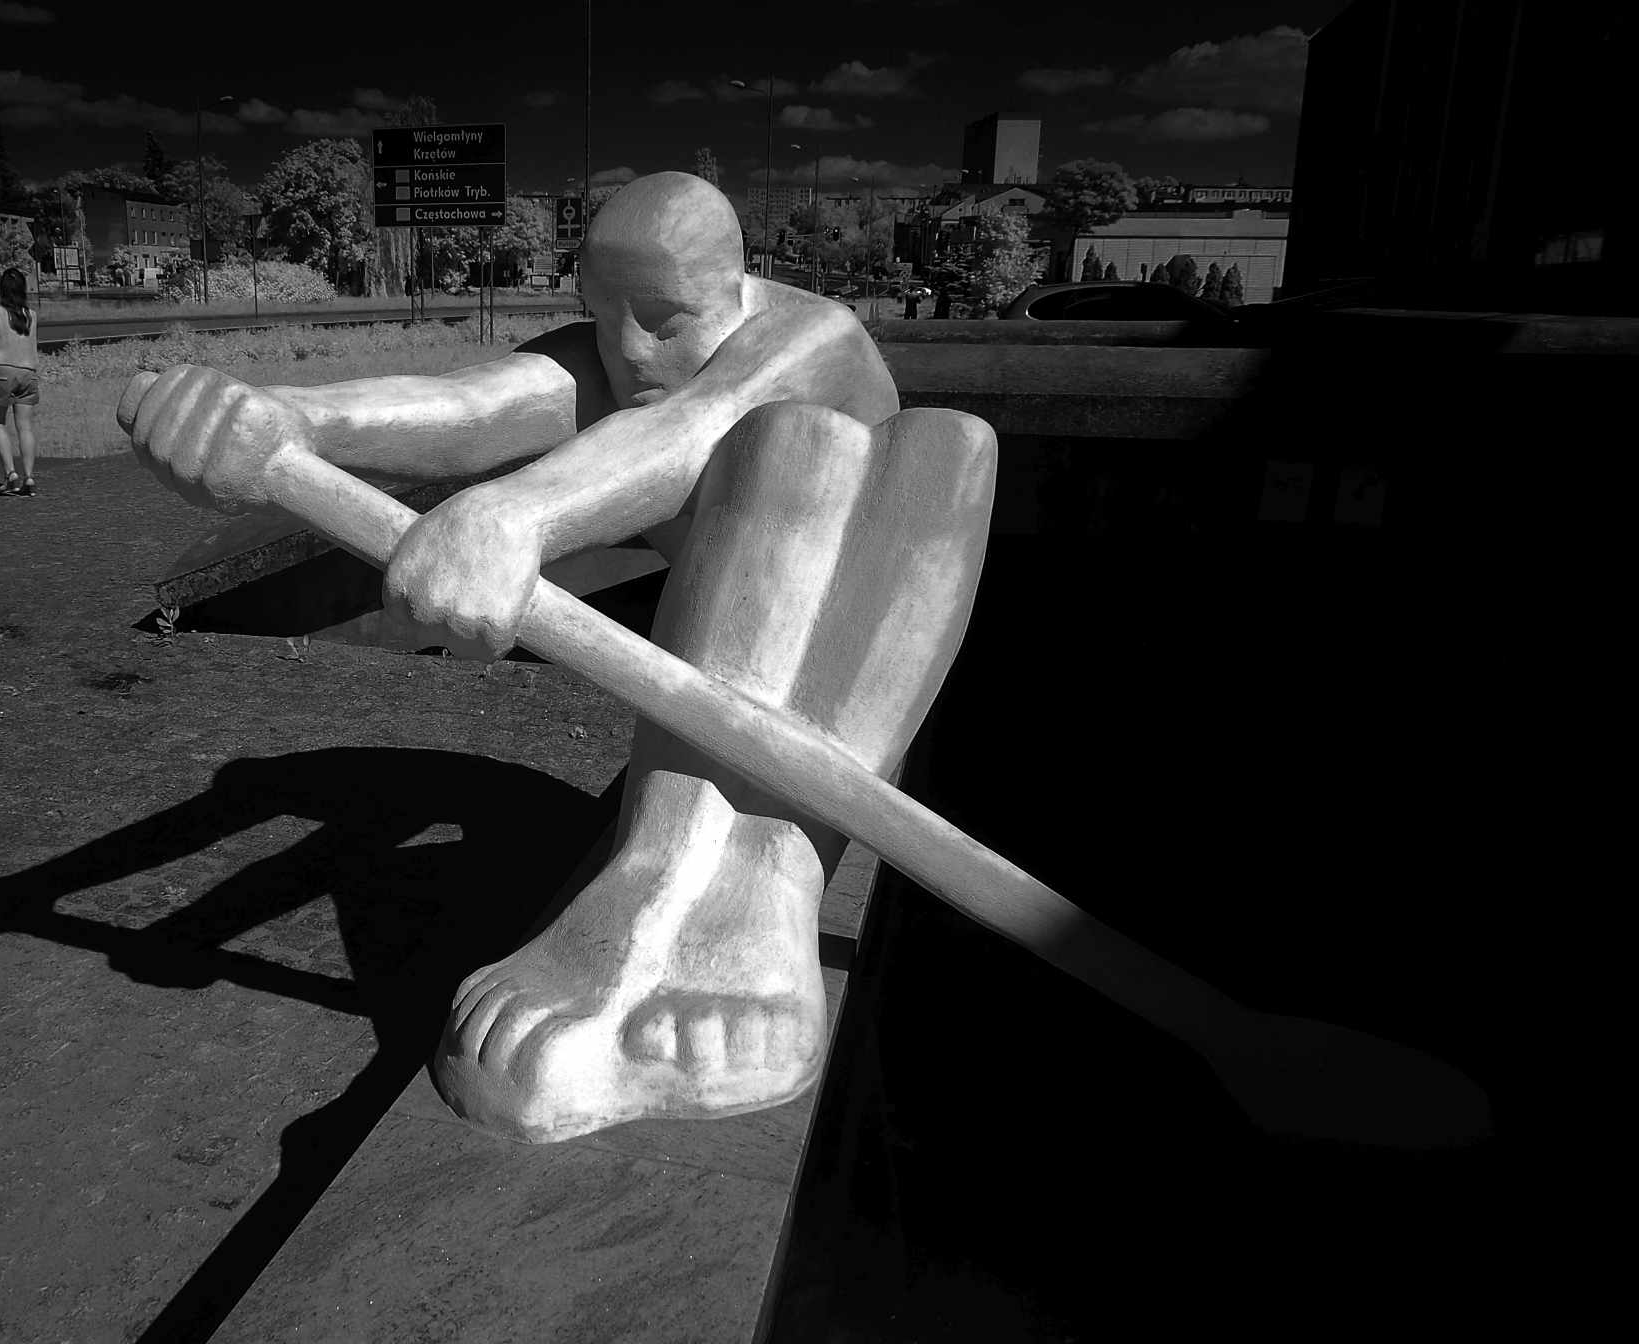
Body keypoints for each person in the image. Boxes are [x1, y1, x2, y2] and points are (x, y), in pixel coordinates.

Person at [117, 172, 995, 1142]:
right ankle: (661, 879)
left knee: (820, 444)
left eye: (665, 318)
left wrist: (516, 514)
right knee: (765, 449)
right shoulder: (624, 356)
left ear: (739, 287)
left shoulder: (811, 338)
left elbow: (692, 431)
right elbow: (474, 403)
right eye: (604, 315)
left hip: (850, 661)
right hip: (735, 675)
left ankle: (748, 892)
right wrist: (280, 417)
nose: (630, 349)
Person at [0, 267, 40, 497]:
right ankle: (29, 477)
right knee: (25, 426)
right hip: (28, 372)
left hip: (1, 372)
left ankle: (11, 474)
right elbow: (33, 345)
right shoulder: (31, 315)